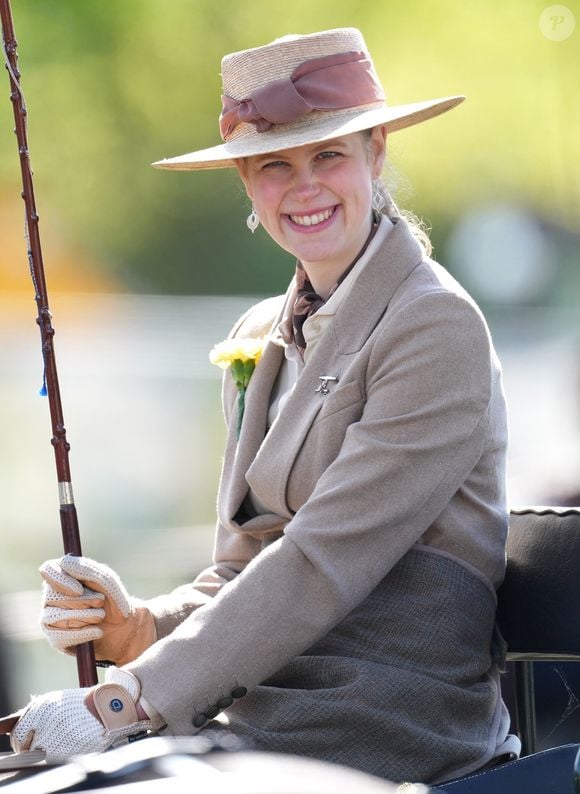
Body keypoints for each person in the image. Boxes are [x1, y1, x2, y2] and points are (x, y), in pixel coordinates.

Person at [2, 28, 519, 785]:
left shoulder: (435, 325)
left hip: (388, 719)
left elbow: (321, 558)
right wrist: (137, 628)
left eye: (329, 156)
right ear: (245, 180)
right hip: (258, 709)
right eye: (274, 164)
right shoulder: (257, 338)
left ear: (376, 155)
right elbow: (242, 570)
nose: (304, 187)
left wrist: (124, 701)